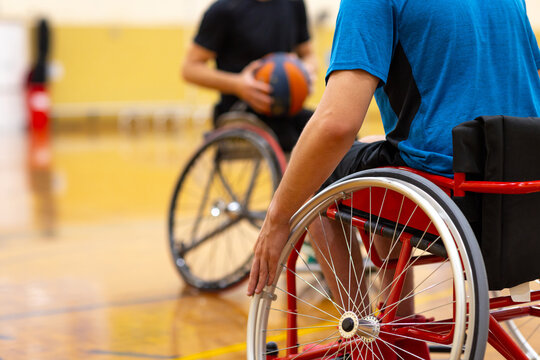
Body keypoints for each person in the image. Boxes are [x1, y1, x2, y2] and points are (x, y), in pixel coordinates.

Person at [246, 0, 540, 312]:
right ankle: (397, 321)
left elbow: (336, 125)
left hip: (454, 192)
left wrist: (277, 220)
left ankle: (360, 335)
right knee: (376, 154)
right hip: (523, 187)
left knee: (318, 172)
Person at [182, 0, 317, 152]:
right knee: (296, 143)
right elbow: (190, 69)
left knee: (327, 130)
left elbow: (308, 54)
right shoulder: (223, 9)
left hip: (286, 108)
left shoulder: (294, 4)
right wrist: (238, 85)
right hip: (240, 110)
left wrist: (305, 72)